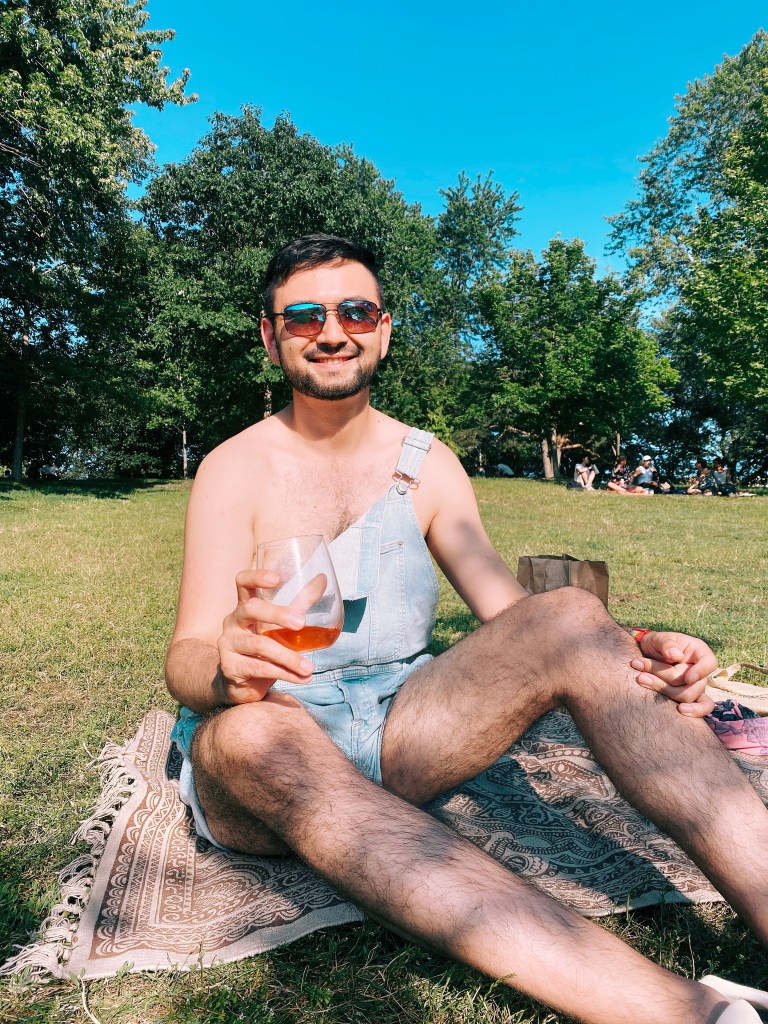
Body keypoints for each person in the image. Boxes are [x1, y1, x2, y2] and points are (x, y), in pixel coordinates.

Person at [165, 235, 768, 1024]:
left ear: (383, 330)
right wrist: (224, 669)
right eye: (305, 316)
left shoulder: (428, 464)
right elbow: (186, 657)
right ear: (271, 337)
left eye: (356, 312)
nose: (333, 332)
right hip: (272, 740)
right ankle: (697, 1016)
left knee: (570, 614)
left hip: (401, 731)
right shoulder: (233, 467)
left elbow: (520, 623)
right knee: (250, 736)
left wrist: (637, 652)